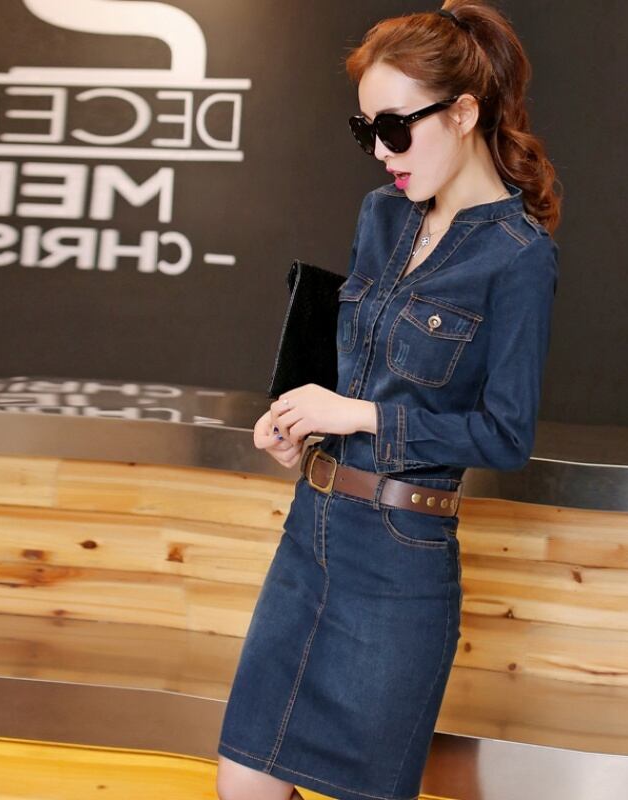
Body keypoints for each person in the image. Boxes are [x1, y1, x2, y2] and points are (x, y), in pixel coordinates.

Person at [216, 2, 561, 799]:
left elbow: (505, 435)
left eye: (396, 128)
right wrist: (302, 427)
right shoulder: (381, 218)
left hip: (400, 561)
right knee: (243, 784)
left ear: (463, 113)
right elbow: (356, 373)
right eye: (366, 130)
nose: (379, 151)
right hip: (310, 534)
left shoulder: (518, 256)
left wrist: (360, 417)